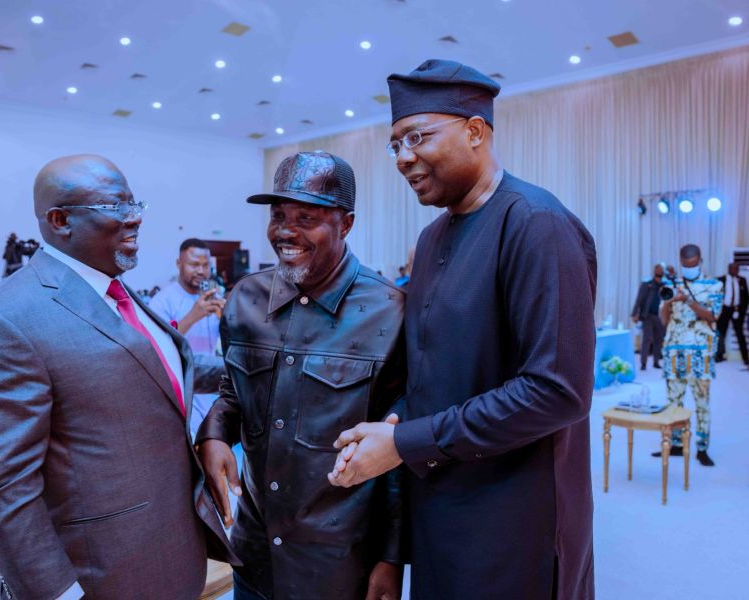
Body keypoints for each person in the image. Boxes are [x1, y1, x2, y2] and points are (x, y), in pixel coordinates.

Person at [328, 60, 597, 599]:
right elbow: (435, 372)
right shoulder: (431, 240)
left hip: (514, 516)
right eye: (395, 145)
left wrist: (405, 442)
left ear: (475, 131)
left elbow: (557, 392)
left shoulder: (535, 224)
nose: (403, 158)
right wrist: (386, 429)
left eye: (417, 137)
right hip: (440, 501)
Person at [0, 154, 236, 600]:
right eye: (116, 206)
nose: (135, 217)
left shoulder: (113, 288)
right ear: (60, 220)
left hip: (169, 555)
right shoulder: (3, 320)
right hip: (99, 574)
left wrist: (255, 370)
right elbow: (1, 487)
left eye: (134, 203)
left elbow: (157, 372)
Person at [197, 151, 405, 600]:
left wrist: (390, 558)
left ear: (346, 224)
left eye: (306, 218)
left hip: (339, 564)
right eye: (278, 216)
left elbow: (398, 448)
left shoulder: (390, 311)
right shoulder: (245, 299)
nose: (285, 231)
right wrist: (214, 434)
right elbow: (234, 391)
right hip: (254, 554)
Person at [150, 238, 227, 436]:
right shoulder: (162, 301)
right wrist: (193, 316)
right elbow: (156, 346)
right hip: (180, 388)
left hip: (210, 388)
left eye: (205, 265)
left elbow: (225, 343)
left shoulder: (213, 298)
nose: (201, 271)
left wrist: (227, 319)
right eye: (194, 264)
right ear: (179, 263)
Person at [655, 244, 723, 466]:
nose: (688, 269)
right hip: (674, 352)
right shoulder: (670, 285)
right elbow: (664, 320)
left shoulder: (714, 285)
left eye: (692, 265)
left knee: (702, 402)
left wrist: (688, 301)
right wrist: (668, 302)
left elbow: (712, 316)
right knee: (673, 400)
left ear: (700, 261)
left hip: (701, 355)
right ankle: (675, 444)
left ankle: (702, 448)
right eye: (685, 265)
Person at [631, 263, 666, 369]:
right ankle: (643, 363)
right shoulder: (648, 284)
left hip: (659, 316)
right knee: (647, 339)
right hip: (648, 315)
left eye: (661, 269)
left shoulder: (664, 285)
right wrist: (635, 313)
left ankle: (656, 361)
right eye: (657, 269)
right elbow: (639, 299)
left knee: (658, 339)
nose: (659, 271)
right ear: (654, 271)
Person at [715, 262, 748, 366]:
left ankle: (746, 358)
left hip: (737, 310)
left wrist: (742, 311)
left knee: (740, 334)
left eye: (737, 269)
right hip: (724, 310)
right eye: (734, 268)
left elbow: (746, 297)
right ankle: (719, 356)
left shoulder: (742, 280)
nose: (736, 271)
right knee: (721, 333)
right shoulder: (721, 280)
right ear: (729, 269)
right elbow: (715, 296)